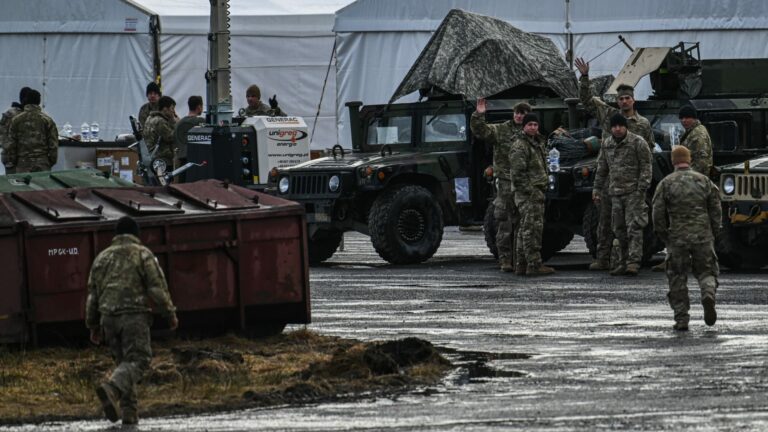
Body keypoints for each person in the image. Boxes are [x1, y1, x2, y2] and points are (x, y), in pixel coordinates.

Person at [85, 216, 178, 425]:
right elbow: (156, 288)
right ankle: (112, 388)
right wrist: (169, 313)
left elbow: (92, 294)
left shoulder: (101, 258)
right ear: (136, 234)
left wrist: (92, 325)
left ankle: (129, 414)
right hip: (133, 315)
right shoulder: (143, 254)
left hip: (108, 318)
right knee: (139, 359)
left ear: (116, 235)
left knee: (124, 364)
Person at [575, 57, 656, 272]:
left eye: (627, 98)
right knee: (605, 223)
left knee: (631, 225)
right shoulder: (609, 115)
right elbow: (586, 100)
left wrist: (642, 185)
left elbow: (648, 153)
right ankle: (603, 258)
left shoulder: (643, 124)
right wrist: (584, 77)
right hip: (611, 182)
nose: (624, 102)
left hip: (632, 184)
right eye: (620, 99)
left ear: (633, 100)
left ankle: (630, 261)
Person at [652, 146, 720, 331]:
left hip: (677, 237)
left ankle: (681, 319)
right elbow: (715, 208)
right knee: (707, 272)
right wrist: (714, 231)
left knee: (677, 277)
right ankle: (708, 294)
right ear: (689, 160)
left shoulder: (666, 183)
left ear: (674, 161)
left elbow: (657, 213)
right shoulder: (704, 181)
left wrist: (663, 234)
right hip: (702, 236)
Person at [470, 98, 531, 272]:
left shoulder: (531, 133)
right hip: (505, 182)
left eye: (523, 113)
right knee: (504, 222)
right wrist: (479, 115)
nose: (519, 116)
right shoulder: (502, 130)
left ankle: (522, 259)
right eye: (517, 113)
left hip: (524, 184)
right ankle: (505, 260)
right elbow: (481, 131)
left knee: (524, 224)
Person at [593, 113, 652, 276]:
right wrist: (597, 189)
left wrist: (641, 189)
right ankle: (622, 261)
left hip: (633, 193)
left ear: (626, 127)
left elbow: (646, 167)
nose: (617, 129)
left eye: (620, 126)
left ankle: (633, 262)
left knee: (634, 227)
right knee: (618, 229)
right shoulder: (607, 144)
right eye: (614, 126)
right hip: (615, 193)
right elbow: (602, 168)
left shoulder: (638, 142)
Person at [509, 113, 555, 276]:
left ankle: (522, 264)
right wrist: (530, 191)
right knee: (532, 229)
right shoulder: (520, 145)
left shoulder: (536, 143)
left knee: (525, 229)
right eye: (530, 125)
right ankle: (534, 264)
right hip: (528, 194)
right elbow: (517, 174)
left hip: (536, 191)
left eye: (535, 125)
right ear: (524, 126)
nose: (533, 128)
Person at [6, 89, 58, 173]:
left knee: (23, 186)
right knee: (43, 186)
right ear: (39, 101)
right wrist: (49, 162)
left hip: (22, 164)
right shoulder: (47, 120)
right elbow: (53, 145)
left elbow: (11, 145)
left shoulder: (16, 120)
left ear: (25, 101)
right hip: (42, 164)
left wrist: (14, 162)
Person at [0, 87, 31, 174]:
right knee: (12, 182)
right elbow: (2, 133)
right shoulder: (11, 114)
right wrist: (9, 149)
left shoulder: (28, 113)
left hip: (22, 158)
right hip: (12, 158)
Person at [143, 95, 178, 170]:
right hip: (162, 159)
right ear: (165, 109)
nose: (173, 111)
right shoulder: (161, 121)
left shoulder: (149, 118)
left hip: (151, 157)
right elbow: (171, 137)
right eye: (172, 108)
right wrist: (174, 121)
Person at [173, 95, 205, 175]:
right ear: (199, 107)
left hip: (181, 162)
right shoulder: (202, 122)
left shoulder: (178, 124)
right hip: (196, 161)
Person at [678, 105, 713, 176]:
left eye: (687, 117)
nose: (683, 120)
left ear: (694, 118)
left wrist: (692, 177)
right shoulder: (692, 132)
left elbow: (702, 162)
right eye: (681, 118)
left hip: (695, 178)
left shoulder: (698, 134)